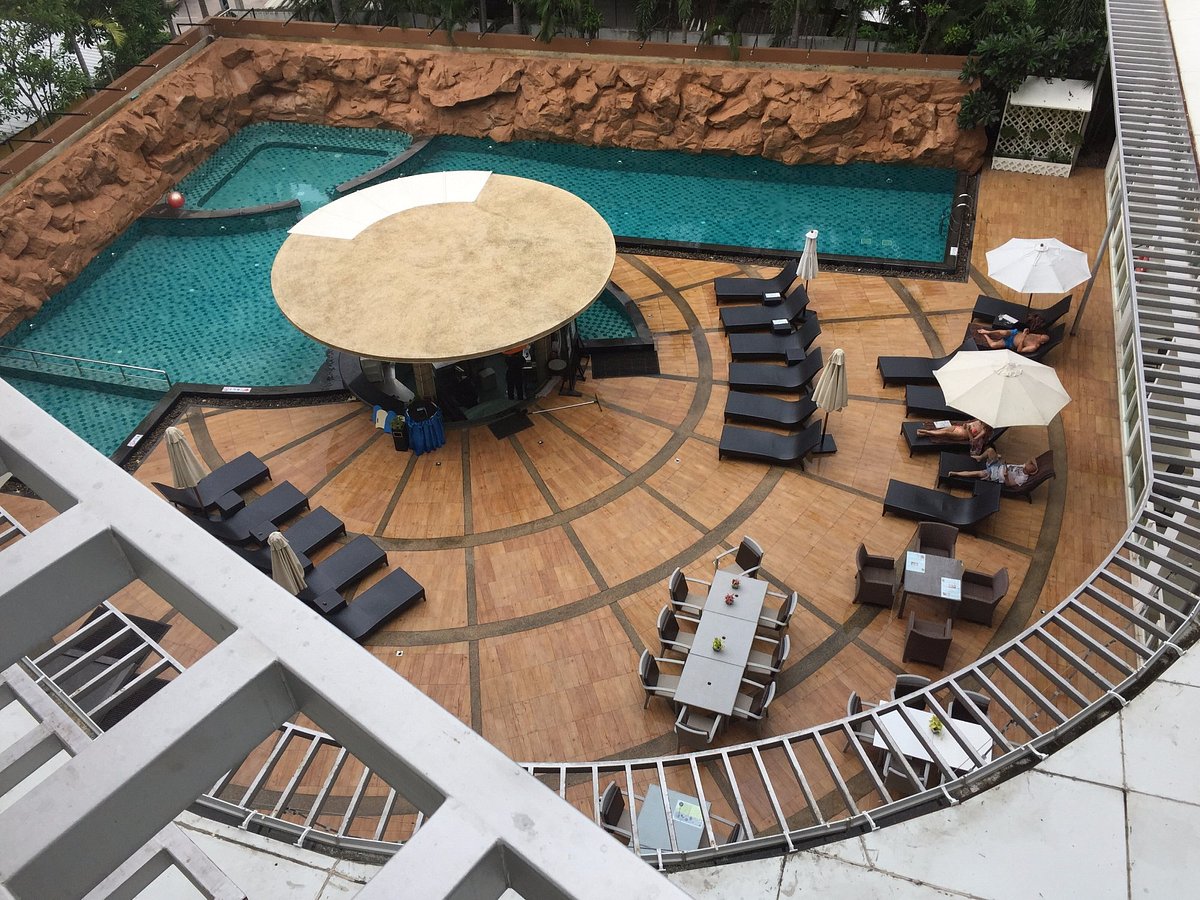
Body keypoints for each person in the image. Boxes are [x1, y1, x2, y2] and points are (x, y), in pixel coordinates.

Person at [950, 448, 1038, 488]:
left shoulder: (1022, 478)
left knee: (978, 473)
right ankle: (980, 457)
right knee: (990, 450)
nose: (1025, 466)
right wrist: (1036, 468)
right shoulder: (1024, 467)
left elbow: (1009, 484)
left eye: (1026, 468)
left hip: (994, 475)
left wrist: (1006, 476)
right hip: (998, 465)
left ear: (1028, 472)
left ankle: (956, 473)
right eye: (1027, 465)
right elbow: (1032, 458)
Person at [971, 314, 1051, 355]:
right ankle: (988, 332)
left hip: (1011, 343)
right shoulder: (1037, 335)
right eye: (1039, 335)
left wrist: (1023, 337)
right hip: (1014, 333)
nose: (1037, 336)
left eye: (1040, 337)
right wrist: (1026, 331)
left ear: (1042, 342)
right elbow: (1026, 332)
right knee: (1004, 332)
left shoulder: (1033, 346)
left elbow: (1019, 350)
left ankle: (985, 335)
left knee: (993, 345)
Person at [916, 418, 993, 456]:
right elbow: (966, 424)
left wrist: (969, 431)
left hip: (961, 435)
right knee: (940, 431)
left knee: (944, 433)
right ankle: (925, 434)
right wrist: (965, 425)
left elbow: (973, 441)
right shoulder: (977, 421)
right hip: (958, 428)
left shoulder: (983, 431)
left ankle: (924, 431)